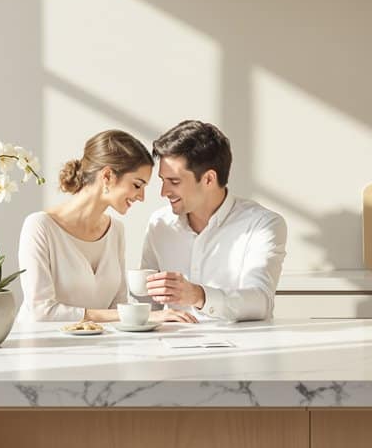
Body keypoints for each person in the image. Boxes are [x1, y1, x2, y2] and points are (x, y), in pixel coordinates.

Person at [19, 130, 199, 323]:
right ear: (107, 176)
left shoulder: (116, 230)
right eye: (137, 185)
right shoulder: (40, 226)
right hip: (44, 347)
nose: (141, 197)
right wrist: (148, 315)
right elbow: (41, 311)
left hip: (101, 348)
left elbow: (117, 306)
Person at [141, 120, 287, 322]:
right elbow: (145, 302)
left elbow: (260, 301)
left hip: (241, 349)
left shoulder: (262, 224)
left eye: (174, 182)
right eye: (162, 180)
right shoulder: (160, 223)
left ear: (209, 179)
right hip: (168, 347)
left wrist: (198, 295)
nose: (163, 192)